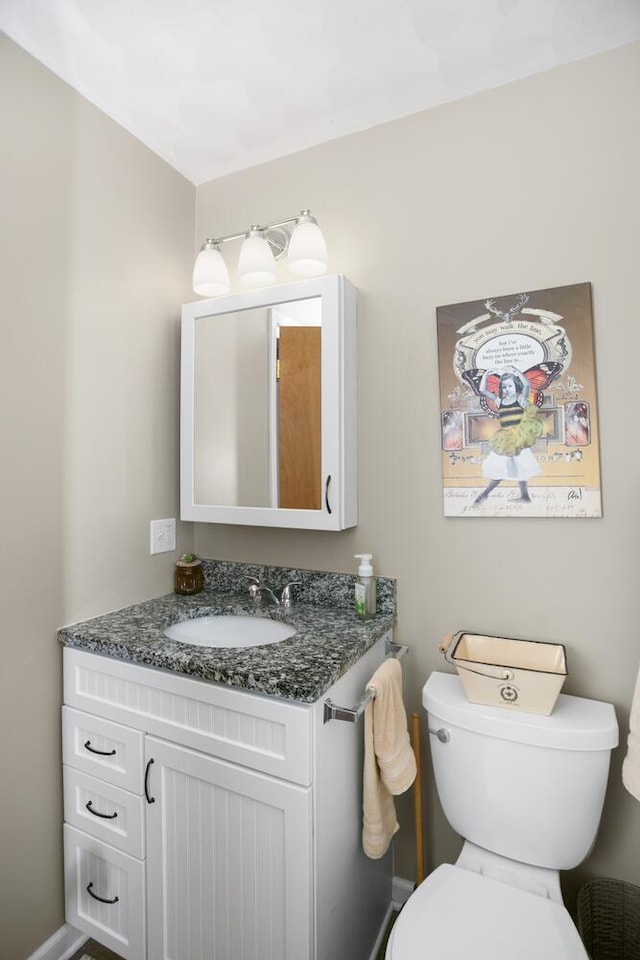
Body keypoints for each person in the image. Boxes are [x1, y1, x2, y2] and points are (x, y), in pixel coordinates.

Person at [474, 366, 543, 504]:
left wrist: (517, 372)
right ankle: (486, 494)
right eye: (504, 387)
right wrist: (486, 374)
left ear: (516, 386)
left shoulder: (521, 400)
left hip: (518, 438)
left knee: (519, 467)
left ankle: (521, 496)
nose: (507, 389)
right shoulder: (500, 402)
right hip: (505, 440)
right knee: (503, 467)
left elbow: (527, 385)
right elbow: (482, 390)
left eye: (510, 386)